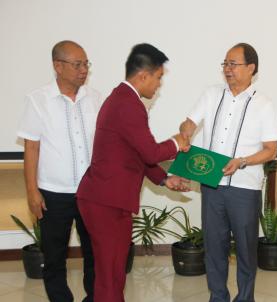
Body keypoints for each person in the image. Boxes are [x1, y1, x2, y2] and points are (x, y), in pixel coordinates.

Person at [76, 43, 190, 302]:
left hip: (108, 199)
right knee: (109, 274)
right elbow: (150, 152)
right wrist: (177, 142)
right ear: (143, 76)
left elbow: (136, 154)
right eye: (158, 78)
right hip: (105, 201)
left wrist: (165, 179)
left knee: (115, 271)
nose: (159, 85)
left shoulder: (123, 99)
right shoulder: (128, 104)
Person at [180, 43, 277, 302]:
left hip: (244, 187)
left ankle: (245, 298)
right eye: (224, 63)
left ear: (251, 68)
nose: (227, 69)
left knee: (246, 250)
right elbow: (190, 122)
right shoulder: (212, 94)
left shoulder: (264, 104)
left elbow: (271, 150)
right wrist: (186, 132)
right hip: (212, 184)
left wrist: (243, 161)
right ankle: (218, 297)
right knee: (214, 248)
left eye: (233, 64)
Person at [17, 40, 100, 302]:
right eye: (77, 64)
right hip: (53, 194)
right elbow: (31, 149)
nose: (83, 70)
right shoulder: (39, 100)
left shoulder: (96, 98)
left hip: (91, 193)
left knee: (95, 255)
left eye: (86, 63)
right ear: (58, 66)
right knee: (53, 258)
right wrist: (32, 192)